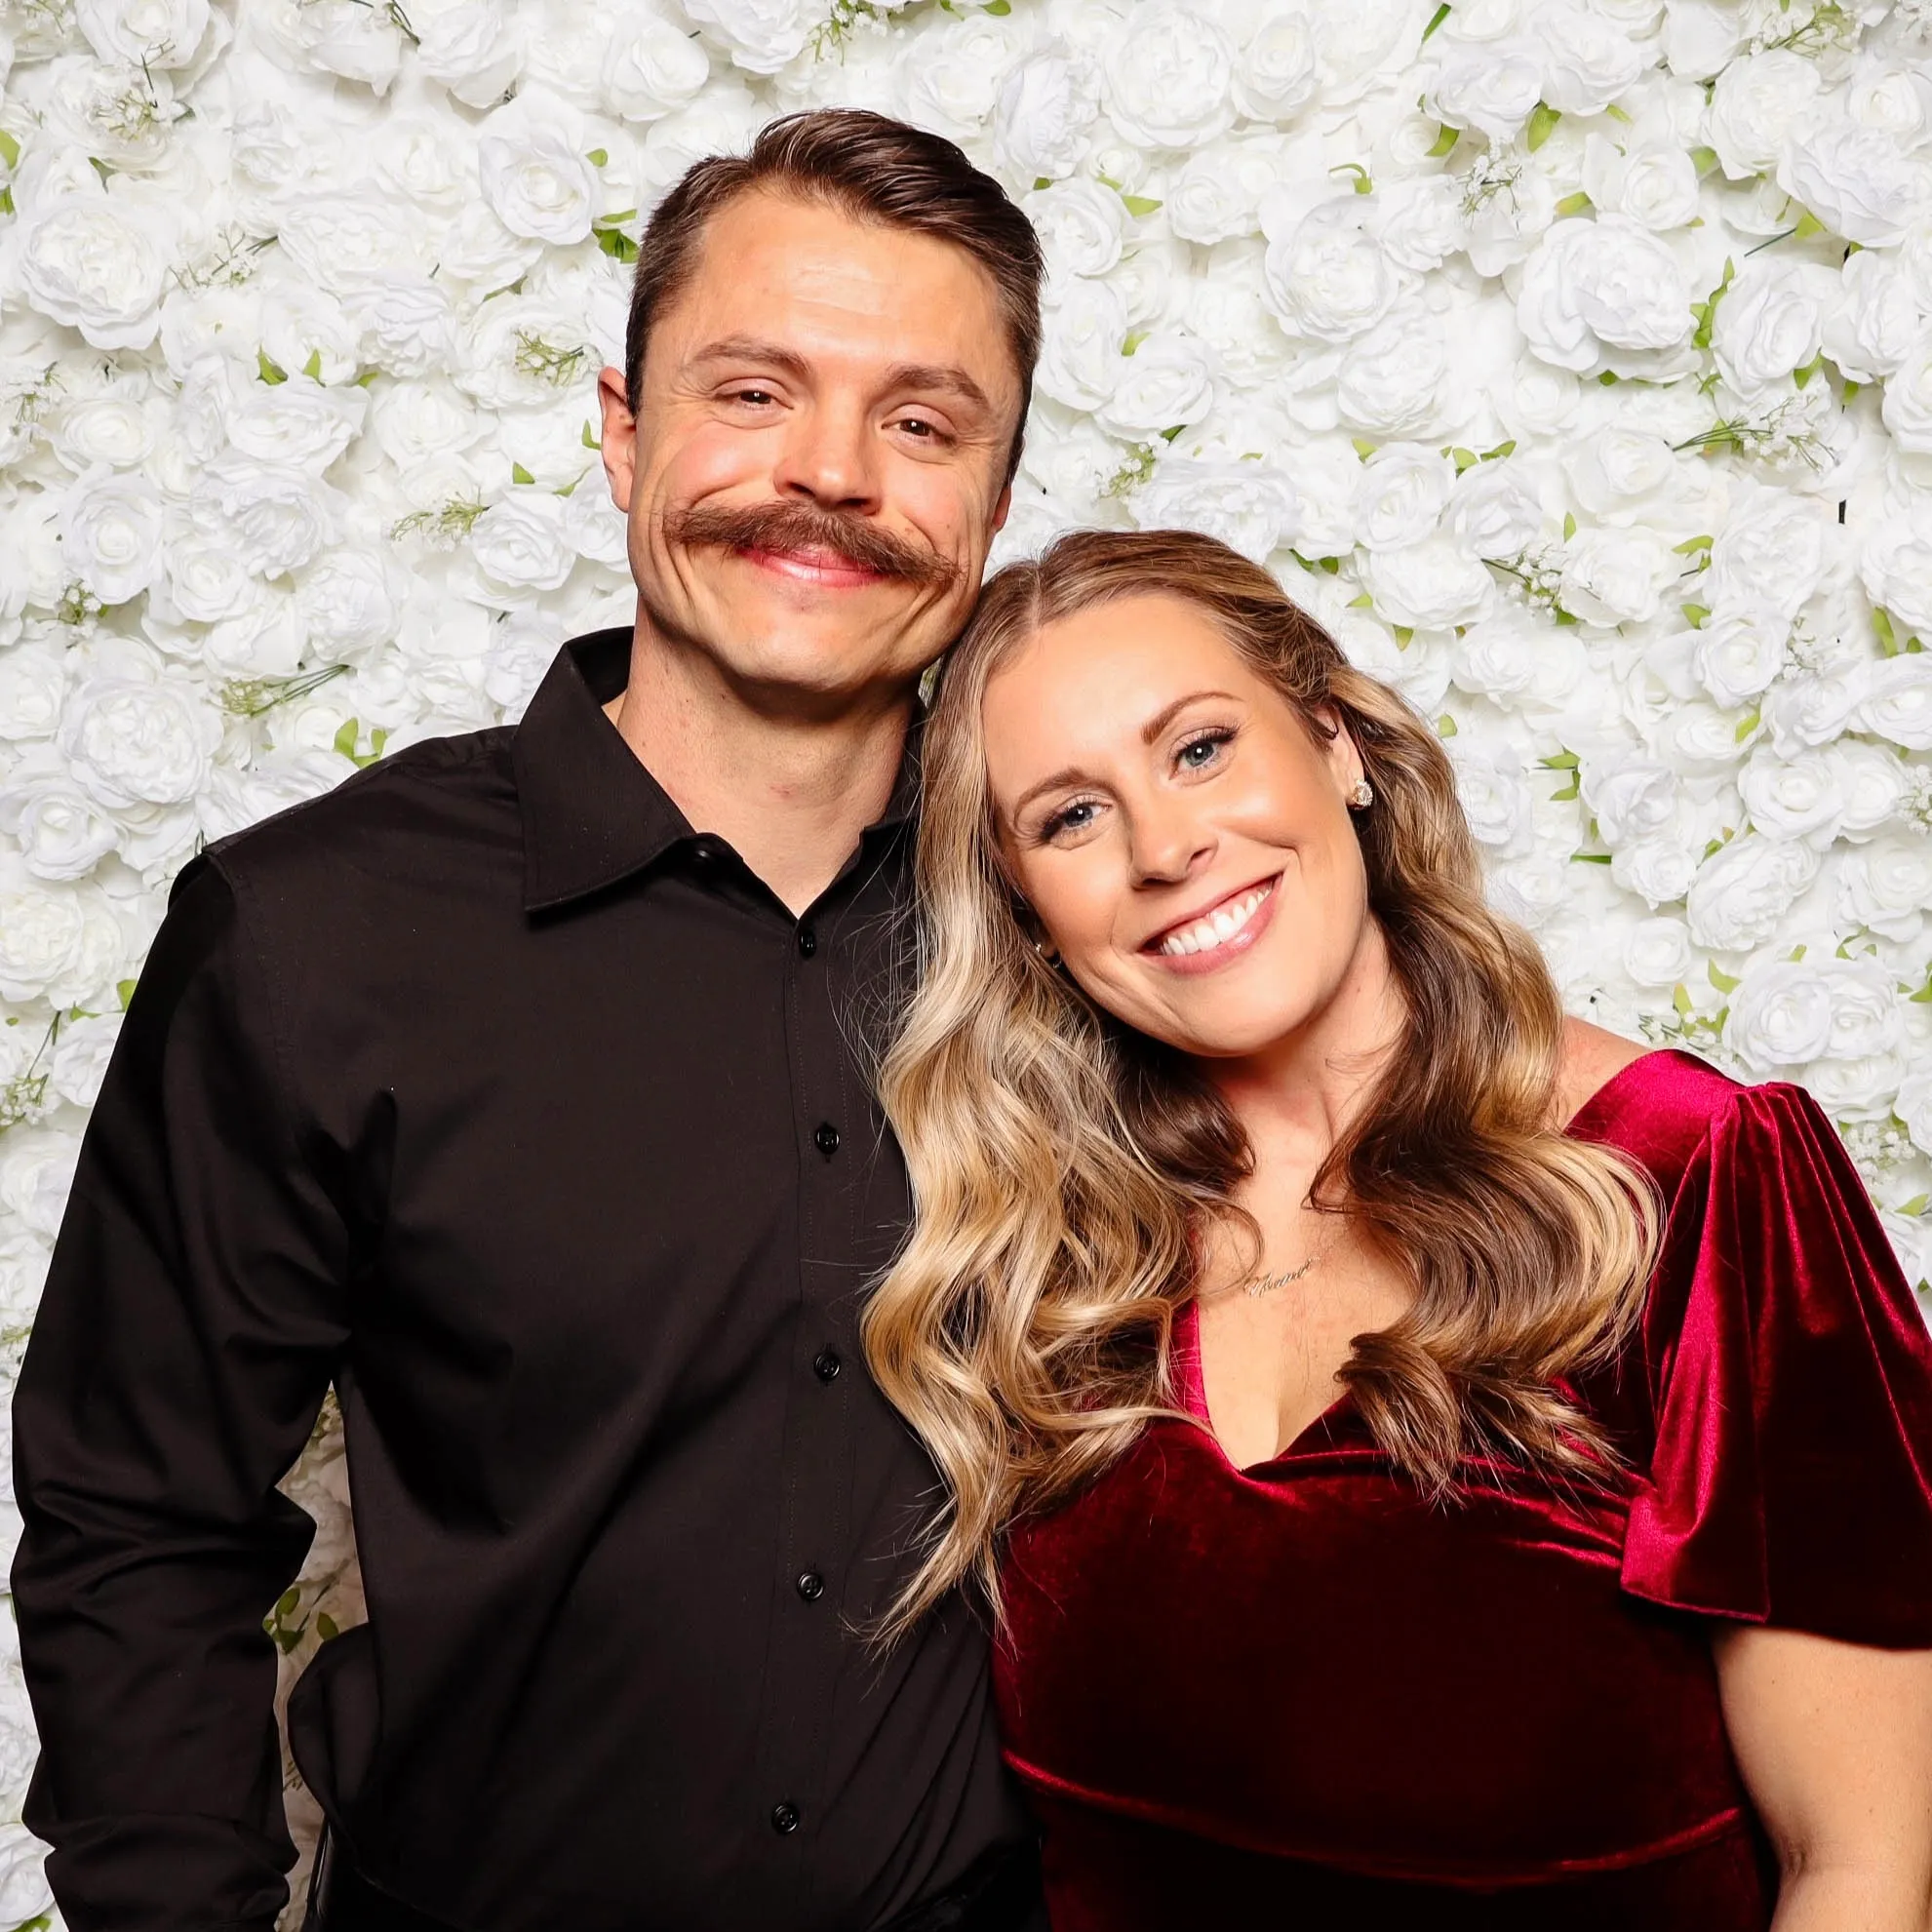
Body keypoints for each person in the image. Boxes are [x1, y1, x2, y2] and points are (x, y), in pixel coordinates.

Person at [12, 111, 1049, 1932]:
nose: (830, 475)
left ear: (995, 501)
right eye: (753, 392)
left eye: (920, 421)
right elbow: (137, 1519)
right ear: (621, 429)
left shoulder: (1081, 923)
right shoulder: (312, 933)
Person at [862, 527, 1932, 1929]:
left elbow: (1859, 1865)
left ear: (1341, 747)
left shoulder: (1689, 1174)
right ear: (1022, 908)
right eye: (1070, 816)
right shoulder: (1046, 1258)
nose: (1168, 846)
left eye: (1199, 750)